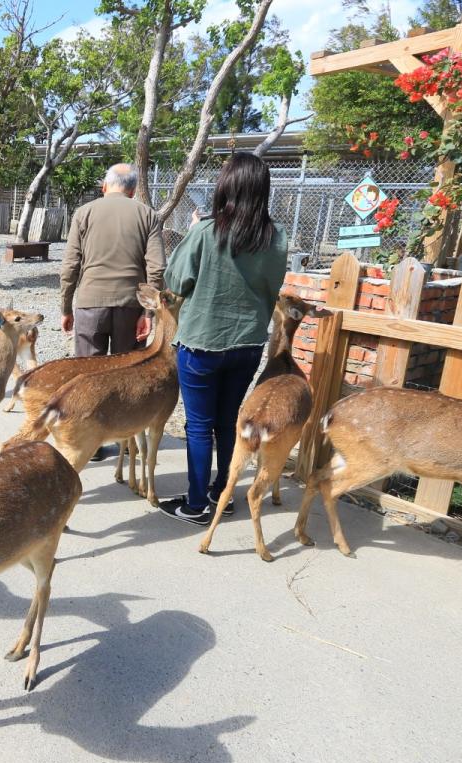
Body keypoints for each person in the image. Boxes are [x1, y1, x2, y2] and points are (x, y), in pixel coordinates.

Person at [159, 152, 289, 525]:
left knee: (198, 425)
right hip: (247, 344)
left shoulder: (205, 232)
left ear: (226, 187)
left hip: (202, 342)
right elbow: (273, 286)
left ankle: (197, 503)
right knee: (228, 419)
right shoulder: (277, 237)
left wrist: (195, 232)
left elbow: (176, 281)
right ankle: (222, 493)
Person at [59, 163, 165, 357]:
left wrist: (66, 308)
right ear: (133, 191)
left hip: (90, 303)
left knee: (88, 375)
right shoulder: (148, 215)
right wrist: (148, 313)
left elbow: (70, 266)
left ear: (104, 187)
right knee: (126, 376)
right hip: (131, 306)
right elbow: (157, 269)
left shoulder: (83, 213)